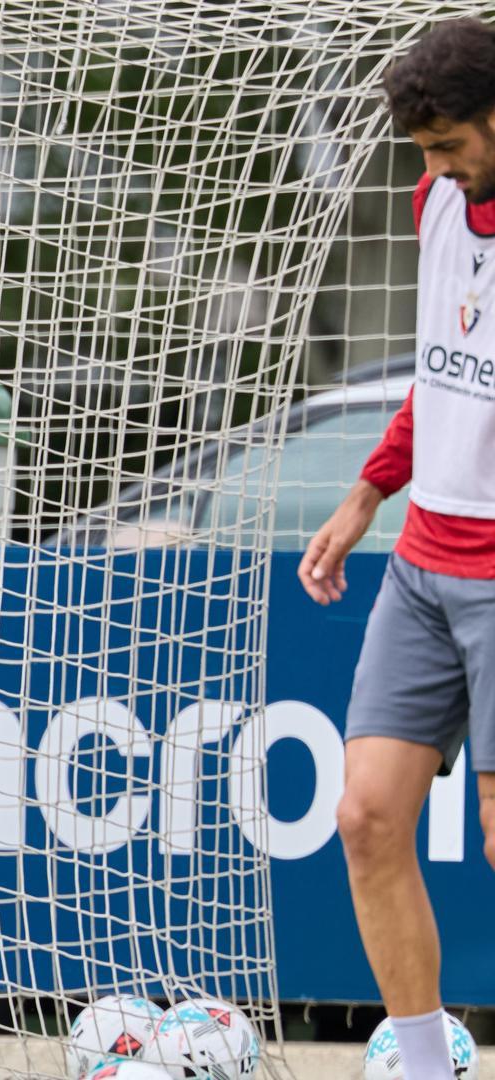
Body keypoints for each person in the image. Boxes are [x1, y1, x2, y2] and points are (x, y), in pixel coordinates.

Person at [305, 18, 495, 1080]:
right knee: (369, 818)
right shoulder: (435, 204)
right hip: (425, 565)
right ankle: (426, 1068)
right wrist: (367, 493)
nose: (433, 170)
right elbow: (444, 373)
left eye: (449, 147)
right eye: (422, 151)